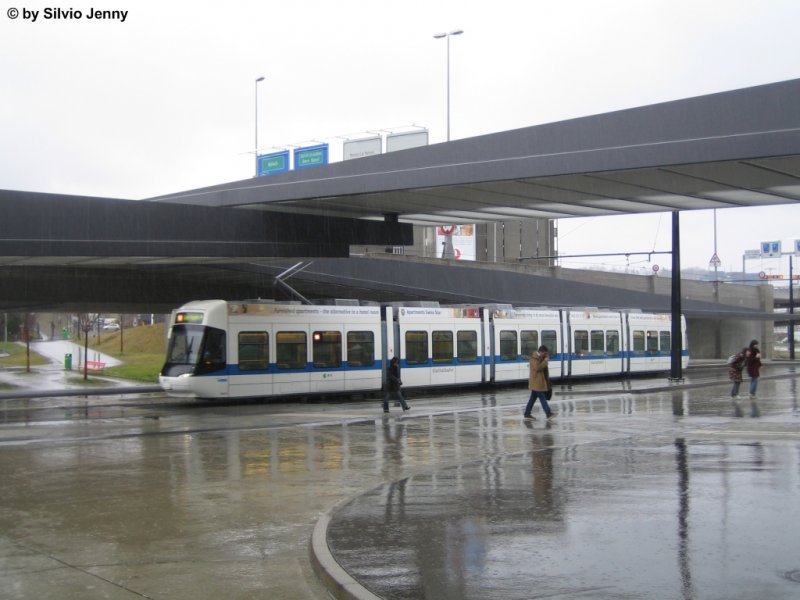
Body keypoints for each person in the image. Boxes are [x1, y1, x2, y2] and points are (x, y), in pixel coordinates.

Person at [524, 345, 555, 419]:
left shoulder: (540, 358)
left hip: (539, 382)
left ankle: (527, 413)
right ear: (541, 352)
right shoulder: (534, 359)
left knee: (532, 399)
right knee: (542, 398)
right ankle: (548, 413)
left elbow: (544, 371)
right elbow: (538, 368)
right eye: (545, 353)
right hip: (536, 382)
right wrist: (545, 361)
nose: (546, 355)